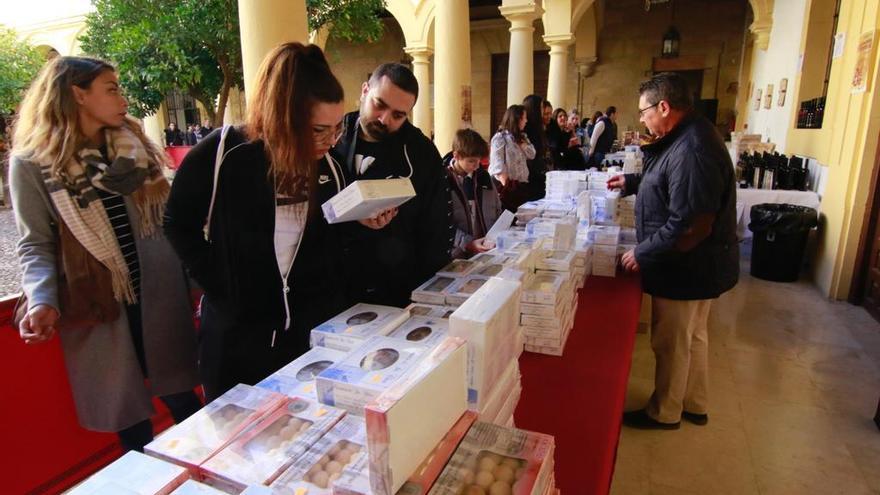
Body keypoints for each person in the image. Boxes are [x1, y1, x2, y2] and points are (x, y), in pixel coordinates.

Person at [9, 56, 200, 452]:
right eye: (111, 89)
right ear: (78, 95)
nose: (122, 98)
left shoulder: (133, 146)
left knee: (186, 403)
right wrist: (42, 299)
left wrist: (202, 278)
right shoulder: (33, 164)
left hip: (160, 297)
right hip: (101, 306)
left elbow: (172, 221)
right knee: (129, 422)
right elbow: (36, 243)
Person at [163, 43, 349, 400]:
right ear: (284, 117)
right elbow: (176, 222)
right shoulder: (223, 152)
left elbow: (329, 242)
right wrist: (222, 287)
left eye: (338, 128)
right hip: (236, 343)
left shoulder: (330, 166)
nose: (330, 141)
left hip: (304, 343)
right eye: (317, 130)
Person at [608, 72, 738, 430]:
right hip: (700, 263)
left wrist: (644, 252)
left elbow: (689, 223)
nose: (642, 119)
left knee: (672, 341)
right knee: (694, 336)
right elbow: (670, 182)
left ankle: (665, 411)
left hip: (688, 265)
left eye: (645, 111)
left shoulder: (693, 147)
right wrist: (632, 182)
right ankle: (694, 402)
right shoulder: (688, 135)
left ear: (663, 107)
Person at [333, 63, 451, 308]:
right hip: (335, 288)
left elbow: (436, 230)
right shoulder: (332, 137)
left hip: (397, 292)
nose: (384, 119)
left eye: (398, 115)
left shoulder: (422, 153)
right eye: (379, 104)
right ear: (365, 90)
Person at [444, 128, 501, 259]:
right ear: (456, 156)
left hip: (485, 251)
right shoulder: (444, 181)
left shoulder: (483, 177)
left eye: (479, 161)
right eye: (471, 161)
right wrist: (467, 243)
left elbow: (497, 208)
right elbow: (441, 223)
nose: (476, 166)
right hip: (456, 256)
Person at [489, 105, 535, 212]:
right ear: (517, 119)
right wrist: (508, 187)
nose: (526, 121)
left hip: (521, 185)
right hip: (508, 187)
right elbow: (497, 165)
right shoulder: (500, 138)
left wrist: (523, 145)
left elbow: (532, 154)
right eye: (524, 118)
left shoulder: (523, 137)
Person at [522, 95, 550, 201]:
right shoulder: (528, 129)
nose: (543, 111)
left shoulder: (538, 127)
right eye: (542, 107)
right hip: (531, 175)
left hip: (538, 172)